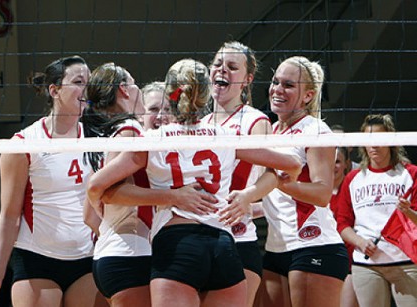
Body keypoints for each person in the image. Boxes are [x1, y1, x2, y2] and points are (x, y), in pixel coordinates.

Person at [87, 58, 302, 307]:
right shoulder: (226, 137)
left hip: (177, 247)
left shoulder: (152, 140)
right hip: (223, 247)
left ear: (169, 95)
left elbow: (96, 186)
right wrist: (266, 187)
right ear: (205, 95)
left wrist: (166, 197)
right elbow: (292, 164)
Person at [81, 63, 217, 307]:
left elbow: (90, 216)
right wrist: (173, 196)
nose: (161, 114)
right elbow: (96, 187)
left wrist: (112, 229)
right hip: (131, 255)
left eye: (166, 108)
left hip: (113, 255)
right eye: (153, 108)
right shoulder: (131, 131)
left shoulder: (111, 132)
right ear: (124, 90)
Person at [0, 55, 104, 307]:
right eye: (78, 81)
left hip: (88, 258)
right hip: (38, 260)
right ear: (54, 90)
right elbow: (9, 216)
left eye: (89, 82)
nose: (86, 89)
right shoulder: (24, 144)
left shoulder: (100, 139)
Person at [233, 56, 349, 307]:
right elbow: (277, 199)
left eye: (288, 85)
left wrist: (278, 182)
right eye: (276, 82)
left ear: (308, 96)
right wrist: (247, 208)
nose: (277, 89)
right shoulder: (271, 130)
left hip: (315, 245)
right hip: (276, 248)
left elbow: (321, 194)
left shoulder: (315, 130)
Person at [201, 41, 271, 307]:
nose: (222, 71)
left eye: (232, 67)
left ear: (247, 80)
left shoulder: (256, 121)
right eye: (218, 64)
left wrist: (248, 197)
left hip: (238, 237)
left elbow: (273, 176)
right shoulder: (200, 124)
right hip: (200, 236)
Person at [336, 114, 417, 307]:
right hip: (367, 264)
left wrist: (408, 213)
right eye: (368, 141)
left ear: (391, 140)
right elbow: (342, 224)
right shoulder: (353, 179)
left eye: (379, 140)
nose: (374, 146)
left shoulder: (411, 174)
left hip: (405, 262)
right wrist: (360, 242)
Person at [329, 147, 359, 307]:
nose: (333, 166)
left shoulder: (354, 188)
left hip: (350, 264)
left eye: (338, 162)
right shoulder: (313, 190)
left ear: (347, 164)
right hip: (323, 263)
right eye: (329, 161)